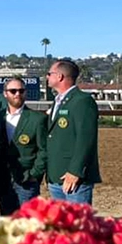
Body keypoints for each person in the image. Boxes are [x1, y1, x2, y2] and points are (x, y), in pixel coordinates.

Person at [40, 59, 100, 204]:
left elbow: (86, 139)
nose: (47, 77)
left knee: (78, 224)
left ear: (60, 76)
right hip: (56, 176)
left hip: (74, 179)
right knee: (62, 225)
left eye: (49, 74)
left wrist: (75, 171)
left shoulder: (82, 101)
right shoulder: (58, 101)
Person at [0, 77, 47, 212]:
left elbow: (44, 150)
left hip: (26, 181)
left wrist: (34, 174)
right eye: (13, 91)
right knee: (8, 223)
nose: (17, 94)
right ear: (5, 93)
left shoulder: (37, 119)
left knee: (28, 223)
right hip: (3, 180)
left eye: (21, 91)